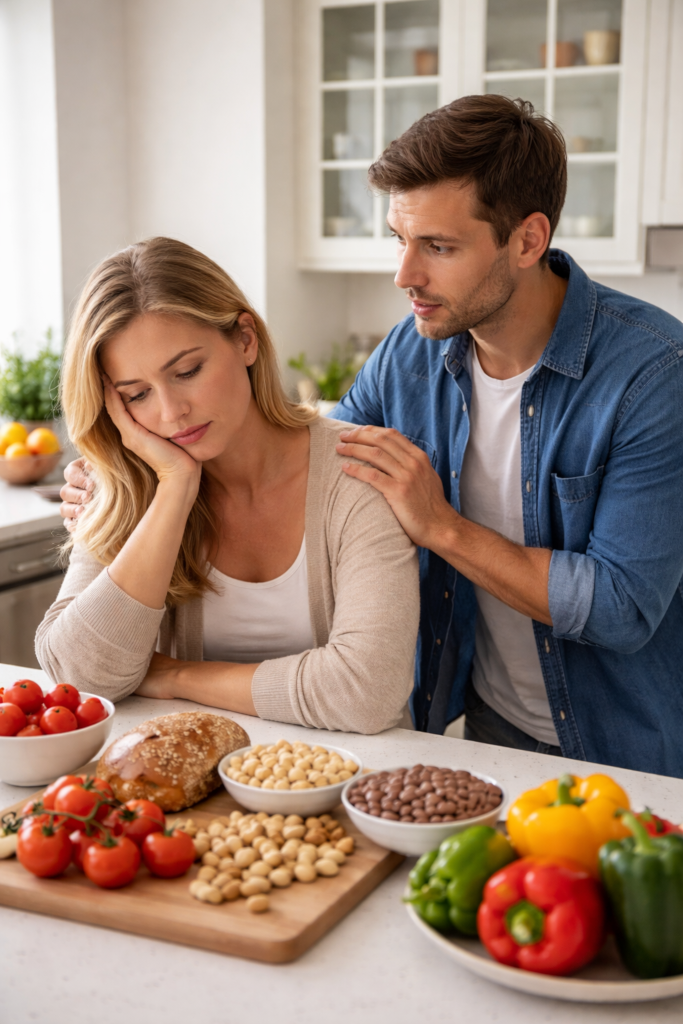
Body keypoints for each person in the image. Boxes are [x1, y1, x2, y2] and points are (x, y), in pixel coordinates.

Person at [328, 95, 683, 777]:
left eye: (437, 247)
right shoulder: (409, 350)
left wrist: (441, 526)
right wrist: (140, 474)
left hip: (636, 752)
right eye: (400, 240)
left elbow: (617, 606)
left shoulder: (654, 372)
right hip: (489, 734)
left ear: (526, 240)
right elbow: (318, 460)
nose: (404, 276)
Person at [39, 237, 419, 734]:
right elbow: (78, 676)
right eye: (137, 395)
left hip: (354, 785)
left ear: (245, 339)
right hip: (191, 793)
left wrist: (175, 675)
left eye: (188, 371)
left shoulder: (357, 472)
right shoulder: (128, 484)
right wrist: (174, 489)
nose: (171, 413)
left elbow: (364, 693)